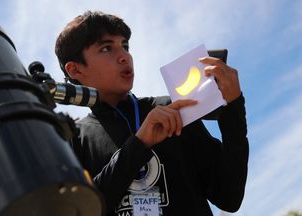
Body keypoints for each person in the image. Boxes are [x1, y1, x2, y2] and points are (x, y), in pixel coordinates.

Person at [55, 11, 249, 216]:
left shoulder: (173, 108)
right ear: (75, 70)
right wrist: (139, 144)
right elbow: (82, 211)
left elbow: (229, 197)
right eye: (106, 48)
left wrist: (233, 109)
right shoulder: (74, 138)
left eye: (125, 46)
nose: (124, 56)